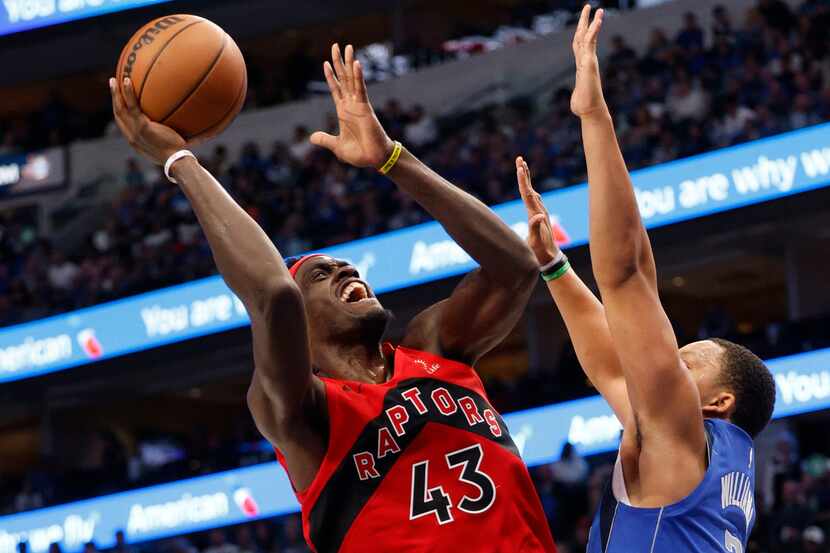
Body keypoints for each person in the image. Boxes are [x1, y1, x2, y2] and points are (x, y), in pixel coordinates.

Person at [108, 43, 556, 553]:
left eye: (342, 265)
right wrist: (180, 160)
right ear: (300, 323)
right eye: (321, 274)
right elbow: (273, 292)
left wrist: (391, 158)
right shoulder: (301, 413)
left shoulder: (432, 350)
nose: (344, 267)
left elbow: (516, 267)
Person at [517, 7, 775, 552]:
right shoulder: (706, 458)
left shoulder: (684, 433)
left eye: (685, 362)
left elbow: (628, 276)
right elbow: (613, 364)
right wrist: (554, 268)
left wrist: (594, 118)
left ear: (718, 401)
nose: (666, 359)